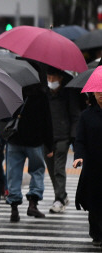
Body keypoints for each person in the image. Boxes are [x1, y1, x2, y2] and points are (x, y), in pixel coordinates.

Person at [5, 83, 54, 222]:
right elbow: (47, 121)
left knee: (13, 173)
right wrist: (49, 145)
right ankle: (33, 203)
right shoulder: (41, 95)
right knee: (37, 170)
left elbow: (5, 114)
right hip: (35, 141)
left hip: (15, 139)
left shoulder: (13, 91)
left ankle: (14, 209)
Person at [45, 67, 82, 213]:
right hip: (47, 137)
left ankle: (59, 199)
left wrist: (73, 137)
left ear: (61, 78)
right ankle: (61, 194)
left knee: (59, 168)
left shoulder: (68, 93)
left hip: (63, 136)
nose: (51, 81)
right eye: (49, 77)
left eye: (54, 78)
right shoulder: (44, 94)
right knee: (52, 168)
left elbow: (75, 115)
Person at [73, 92, 102, 250]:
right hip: (93, 166)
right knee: (94, 201)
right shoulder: (86, 115)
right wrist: (78, 157)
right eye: (99, 91)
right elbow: (80, 140)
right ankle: (96, 233)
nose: (101, 94)